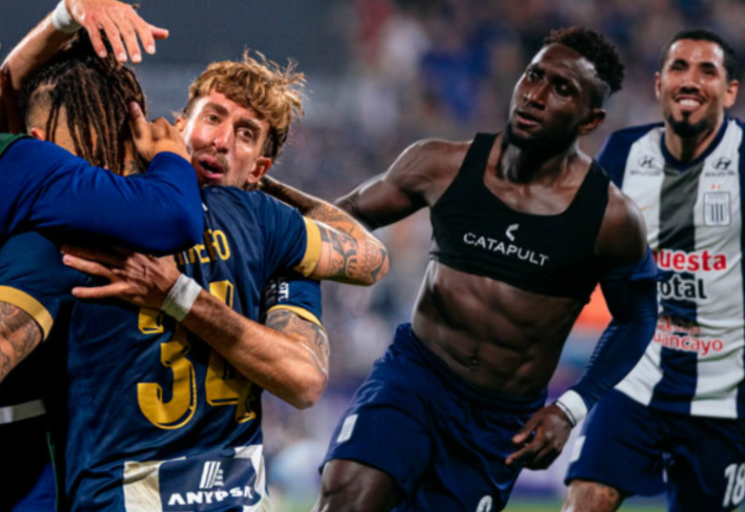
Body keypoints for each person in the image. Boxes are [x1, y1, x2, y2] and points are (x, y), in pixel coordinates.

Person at [0, 40, 388, 511]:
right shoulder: (275, 232)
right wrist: (268, 191)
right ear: (175, 126)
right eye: (212, 118)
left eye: (245, 135)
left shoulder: (72, 236)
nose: (222, 141)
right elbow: (367, 255)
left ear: (260, 168)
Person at [274, 26, 659, 512]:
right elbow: (337, 221)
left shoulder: (610, 218)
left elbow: (638, 317)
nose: (536, 95)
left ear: (590, 119)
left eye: (562, 89)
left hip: (497, 421)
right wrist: (255, 210)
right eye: (533, 76)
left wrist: (570, 406)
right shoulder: (441, 165)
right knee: (346, 498)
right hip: (415, 378)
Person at [0, 1, 203, 511]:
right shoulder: (17, 163)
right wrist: (171, 156)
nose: (6, 75)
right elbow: (174, 217)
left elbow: (0, 90)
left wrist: (68, 14)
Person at [563, 29, 745, 512]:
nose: (691, 80)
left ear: (730, 91)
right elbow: (576, 251)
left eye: (708, 70)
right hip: (635, 379)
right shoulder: (624, 154)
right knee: (587, 498)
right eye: (679, 67)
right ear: (659, 83)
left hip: (725, 396)